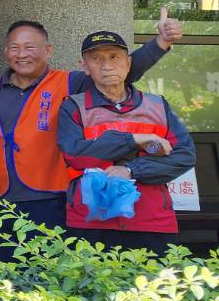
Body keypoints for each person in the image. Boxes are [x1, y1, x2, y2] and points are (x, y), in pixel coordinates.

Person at [0, 16, 176, 259]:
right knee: (6, 279)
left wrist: (160, 43)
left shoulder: (70, 82)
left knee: (49, 277)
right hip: (4, 199)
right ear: (6, 52)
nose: (22, 54)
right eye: (15, 48)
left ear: (48, 50)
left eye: (30, 47)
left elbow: (117, 70)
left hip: (52, 197)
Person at [58, 30, 196, 252]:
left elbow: (184, 155)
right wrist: (134, 140)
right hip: (91, 221)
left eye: (114, 57)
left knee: (152, 286)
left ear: (128, 63)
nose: (107, 66)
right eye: (96, 59)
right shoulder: (74, 107)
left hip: (151, 221)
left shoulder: (157, 106)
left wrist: (132, 170)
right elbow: (75, 155)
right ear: (85, 67)